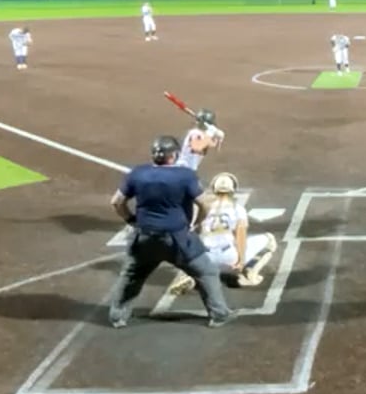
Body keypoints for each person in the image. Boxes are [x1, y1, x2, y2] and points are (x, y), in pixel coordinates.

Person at [108, 136, 237, 328]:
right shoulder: (185, 175)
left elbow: (117, 202)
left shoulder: (137, 173)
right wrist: (196, 223)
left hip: (144, 237)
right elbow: (204, 204)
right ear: (174, 155)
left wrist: (131, 220)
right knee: (207, 272)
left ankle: (117, 317)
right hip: (177, 239)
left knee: (131, 275)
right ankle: (219, 315)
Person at [168, 172, 277, 296]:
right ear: (232, 189)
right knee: (269, 239)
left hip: (204, 258)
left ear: (214, 188)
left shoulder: (202, 208)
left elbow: (191, 232)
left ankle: (190, 275)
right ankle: (249, 273)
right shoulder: (238, 209)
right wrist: (241, 261)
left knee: (189, 242)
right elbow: (240, 237)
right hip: (229, 258)